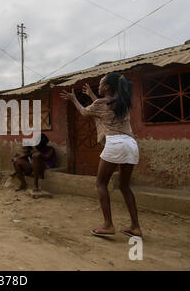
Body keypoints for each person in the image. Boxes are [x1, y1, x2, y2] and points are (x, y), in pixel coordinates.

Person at [60, 72, 142, 238]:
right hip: (131, 144)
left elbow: (84, 112)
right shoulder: (122, 101)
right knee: (125, 187)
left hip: (115, 143)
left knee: (101, 183)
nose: (99, 86)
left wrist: (73, 99)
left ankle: (108, 225)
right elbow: (102, 111)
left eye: (101, 83)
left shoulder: (101, 102)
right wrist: (91, 95)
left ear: (107, 87)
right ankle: (135, 227)